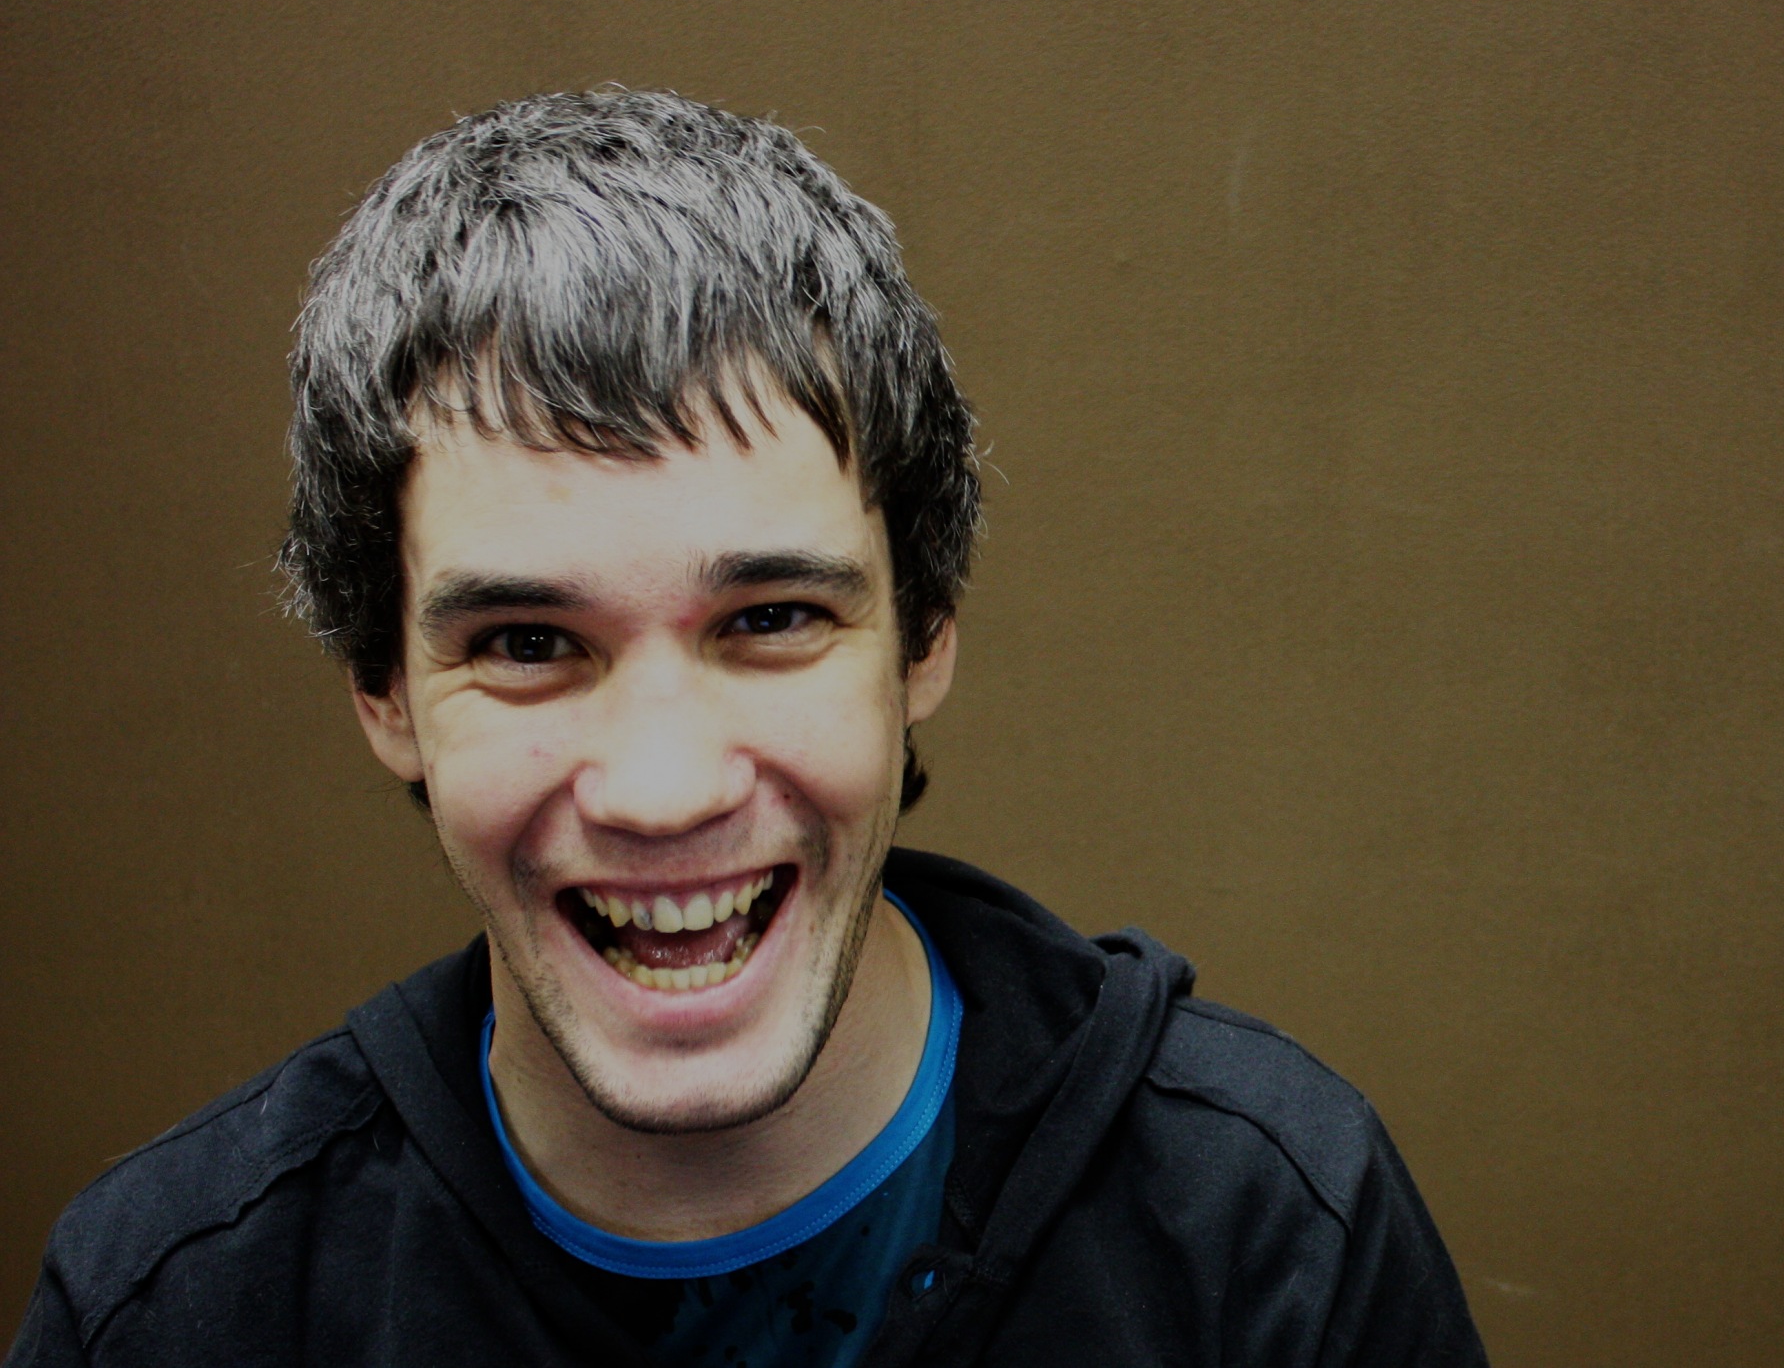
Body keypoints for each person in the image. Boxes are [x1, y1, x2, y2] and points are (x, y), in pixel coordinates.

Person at [6, 89, 1484, 1368]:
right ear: (383, 693)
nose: (662, 789)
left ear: (925, 637)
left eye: (771, 618)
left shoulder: (1271, 1237)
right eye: (528, 644)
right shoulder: (175, 1309)